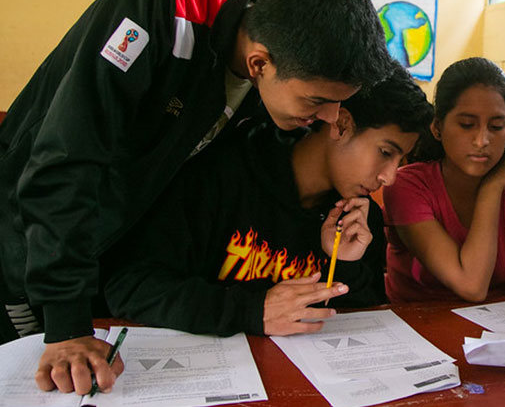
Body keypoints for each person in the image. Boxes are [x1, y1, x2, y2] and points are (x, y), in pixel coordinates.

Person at [0, 0, 391, 394]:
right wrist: (67, 322)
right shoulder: (163, 3)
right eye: (317, 100)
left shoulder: (268, 90)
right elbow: (67, 160)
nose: (328, 117)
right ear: (260, 63)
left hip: (99, 258)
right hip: (24, 247)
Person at [100, 65, 432, 336]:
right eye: (385, 153)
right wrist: (252, 311)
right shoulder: (221, 174)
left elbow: (360, 328)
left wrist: (342, 263)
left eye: (400, 160)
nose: (389, 177)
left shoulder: (360, 217)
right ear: (341, 124)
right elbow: (132, 286)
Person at [383, 58, 505, 303]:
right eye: (466, 125)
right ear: (437, 127)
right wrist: (492, 188)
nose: (482, 140)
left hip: (495, 331)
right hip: (411, 329)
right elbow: (471, 286)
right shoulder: (407, 187)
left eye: (496, 127)